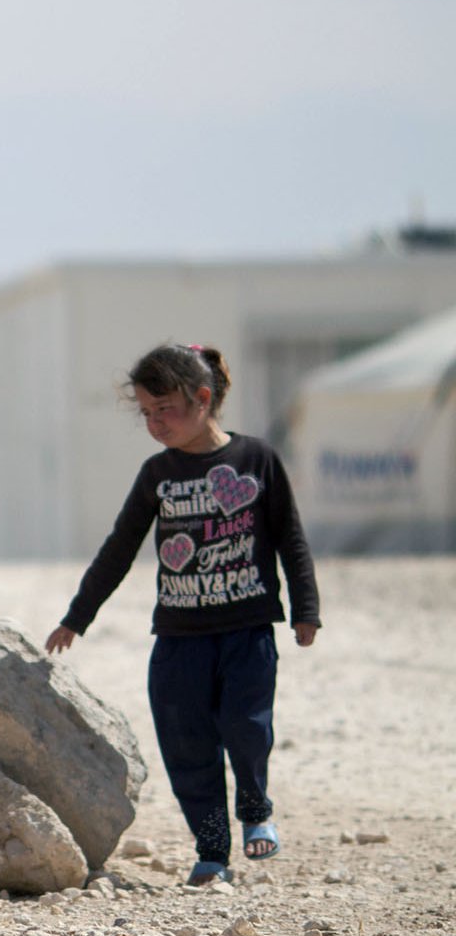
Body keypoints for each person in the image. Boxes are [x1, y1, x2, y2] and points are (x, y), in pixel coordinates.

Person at [45, 344, 319, 887]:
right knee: (186, 745)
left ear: (202, 398)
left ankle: (256, 808)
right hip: (178, 639)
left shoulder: (256, 460)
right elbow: (119, 548)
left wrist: (306, 608)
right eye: (146, 413)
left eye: (163, 409)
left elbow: (290, 536)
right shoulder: (158, 475)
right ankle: (213, 849)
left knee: (245, 729)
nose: (154, 423)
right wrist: (78, 616)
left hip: (247, 631)